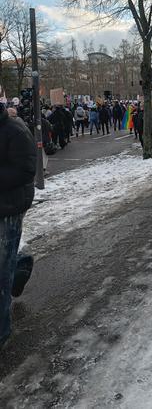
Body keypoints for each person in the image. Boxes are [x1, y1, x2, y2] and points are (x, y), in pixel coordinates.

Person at [0, 101, 36, 348]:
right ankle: (21, 262)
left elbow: (26, 170)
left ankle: (2, 331)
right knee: (6, 262)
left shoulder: (15, 130)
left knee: (1, 271)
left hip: (8, 207)